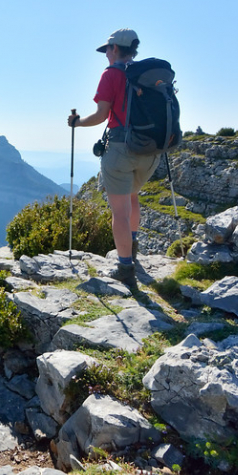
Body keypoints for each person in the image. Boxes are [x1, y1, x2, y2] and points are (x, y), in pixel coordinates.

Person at [67, 28, 160, 288]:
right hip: (149, 151)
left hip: (121, 148)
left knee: (119, 210)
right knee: (133, 197)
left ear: (116, 49)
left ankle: (125, 266)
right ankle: (133, 247)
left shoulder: (111, 75)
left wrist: (77, 123)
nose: (106, 54)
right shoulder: (145, 75)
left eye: (107, 49)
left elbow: (101, 116)